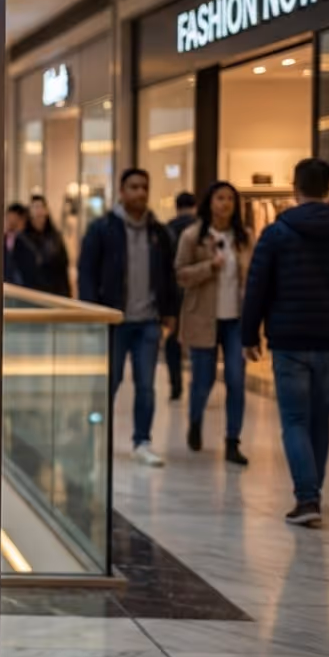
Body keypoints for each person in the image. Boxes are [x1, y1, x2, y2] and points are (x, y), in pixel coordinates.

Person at [242, 158, 329, 528]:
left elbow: (257, 286)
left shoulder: (277, 233)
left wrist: (249, 335)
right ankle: (314, 494)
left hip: (289, 339)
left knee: (295, 419)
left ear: (295, 187)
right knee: (320, 419)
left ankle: (307, 497)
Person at [79, 167, 178, 467]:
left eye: (144, 187)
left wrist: (170, 311)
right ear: (121, 192)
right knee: (109, 383)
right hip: (114, 321)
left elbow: (168, 276)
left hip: (148, 321)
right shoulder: (102, 229)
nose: (140, 192)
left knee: (146, 385)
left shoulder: (158, 232)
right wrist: (92, 313)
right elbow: (87, 273)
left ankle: (142, 442)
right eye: (134, 187)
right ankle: (93, 440)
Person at [174, 181, 251, 466]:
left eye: (230, 198)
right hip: (203, 317)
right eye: (220, 198)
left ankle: (233, 440)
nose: (225, 203)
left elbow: (253, 276)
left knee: (236, 380)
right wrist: (209, 267)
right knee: (203, 381)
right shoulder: (192, 236)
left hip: (235, 321)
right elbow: (181, 274)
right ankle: (195, 421)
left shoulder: (244, 238)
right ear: (210, 202)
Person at [165, 191, 200, 400]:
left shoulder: (167, 228)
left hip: (174, 292)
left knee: (173, 339)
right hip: (197, 290)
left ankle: (175, 383)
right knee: (198, 340)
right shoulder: (202, 228)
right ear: (195, 206)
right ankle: (198, 383)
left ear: (177, 207)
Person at [18, 195, 72, 296]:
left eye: (41, 207)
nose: (39, 211)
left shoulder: (56, 237)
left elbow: (63, 267)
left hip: (55, 293)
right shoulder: (22, 239)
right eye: (35, 207)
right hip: (31, 293)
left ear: (46, 211)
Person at [3, 203, 28, 285]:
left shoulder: (26, 244)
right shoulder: (0, 239)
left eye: (14, 221)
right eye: (8, 219)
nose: (9, 223)